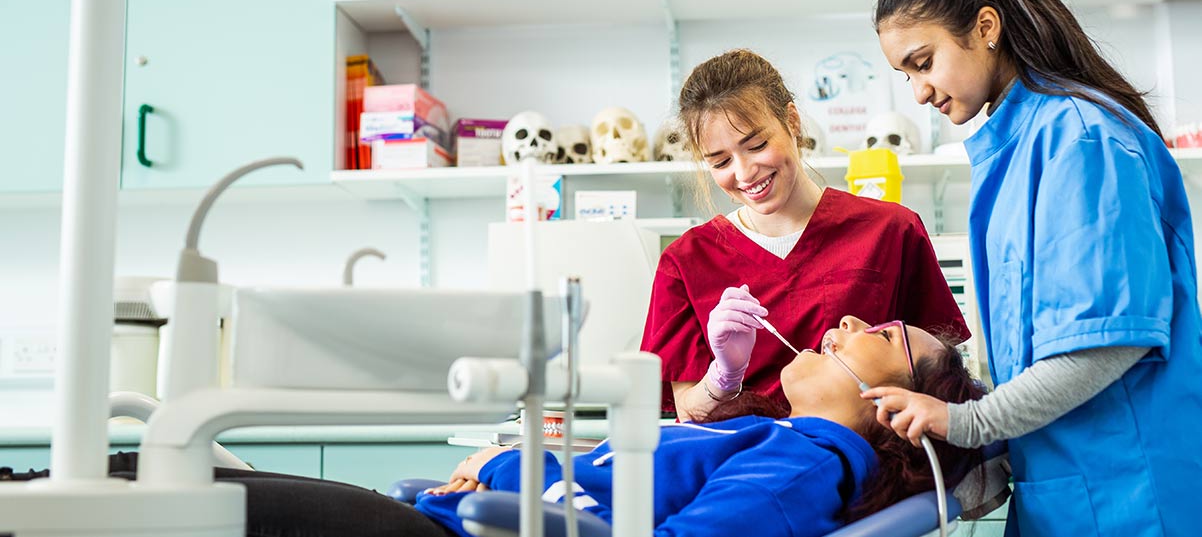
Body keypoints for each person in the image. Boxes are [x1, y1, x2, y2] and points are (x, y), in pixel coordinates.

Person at [0, 318, 978, 537]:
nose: (847, 323)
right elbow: (607, 485)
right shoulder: (767, 436)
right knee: (159, 473)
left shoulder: (805, 464)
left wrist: (514, 508)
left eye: (882, 333)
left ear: (899, 412)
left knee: (173, 493)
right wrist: (513, 469)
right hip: (445, 520)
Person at [868, 0, 1202, 537]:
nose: (917, 92)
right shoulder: (1018, 146)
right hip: (1066, 489)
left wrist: (965, 423)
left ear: (986, 29)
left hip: (1128, 494)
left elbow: (1107, 343)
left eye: (923, 63)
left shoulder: (1080, 139)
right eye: (904, 75)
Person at [639, 48, 969, 421]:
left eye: (757, 145)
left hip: (864, 470)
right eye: (720, 161)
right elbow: (690, 413)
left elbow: (943, 384)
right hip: (741, 468)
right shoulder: (686, 262)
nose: (745, 173)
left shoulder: (891, 232)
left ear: (792, 122)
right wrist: (724, 375)